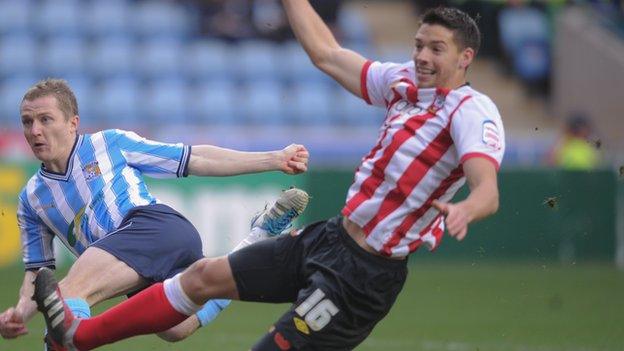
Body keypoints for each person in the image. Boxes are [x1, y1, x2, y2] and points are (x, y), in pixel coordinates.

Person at [34, 5, 505, 351]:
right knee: (200, 278)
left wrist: (465, 207)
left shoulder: (472, 110)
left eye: (435, 49)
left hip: (363, 277)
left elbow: (487, 189)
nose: (421, 56)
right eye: (418, 44)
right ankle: (79, 339)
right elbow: (326, 54)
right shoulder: (403, 85)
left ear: (465, 57)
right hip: (331, 239)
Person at [0, 78, 309, 347]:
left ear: (72, 123)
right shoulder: (31, 198)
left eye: (45, 119)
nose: (35, 130)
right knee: (176, 328)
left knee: (67, 297)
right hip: (128, 266)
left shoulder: (108, 144)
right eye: (27, 122)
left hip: (154, 229)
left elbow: (193, 158)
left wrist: (274, 158)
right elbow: (37, 272)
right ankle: (259, 237)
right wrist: (19, 312)